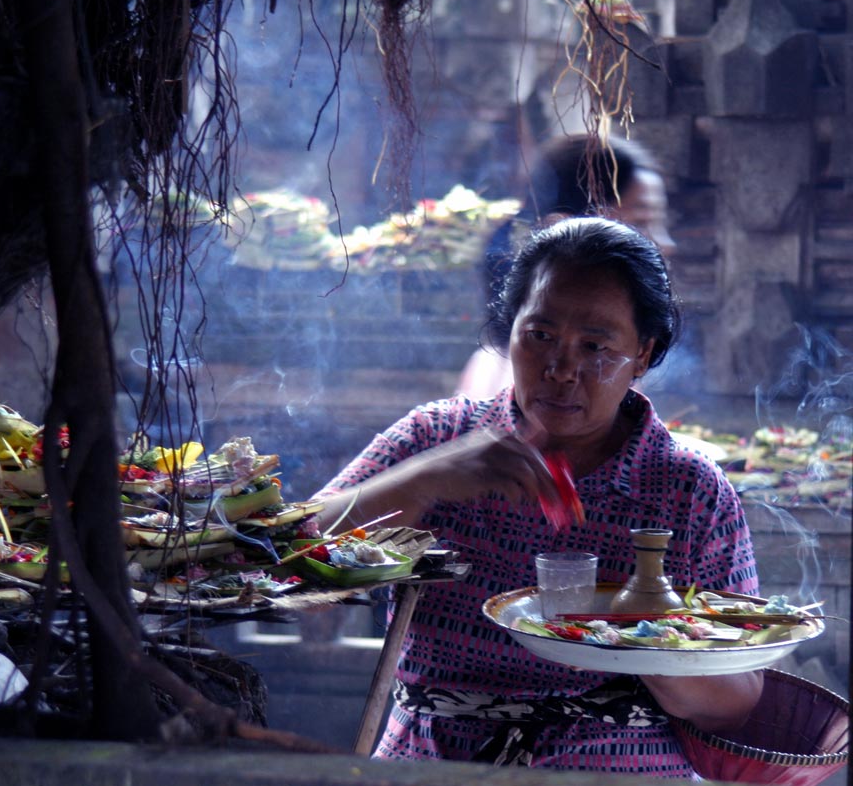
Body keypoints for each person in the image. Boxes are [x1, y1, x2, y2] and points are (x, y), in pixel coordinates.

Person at [312, 218, 761, 776]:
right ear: (511, 331)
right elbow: (285, 560)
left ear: (642, 355)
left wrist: (646, 640)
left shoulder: (686, 489)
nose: (561, 369)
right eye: (540, 335)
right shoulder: (437, 439)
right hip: (433, 766)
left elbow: (738, 704)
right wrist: (426, 480)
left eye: (595, 346)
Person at [458, 134, 676, 399]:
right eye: (641, 222)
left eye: (593, 345)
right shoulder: (503, 382)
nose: (665, 244)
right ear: (562, 230)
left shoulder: (618, 364)